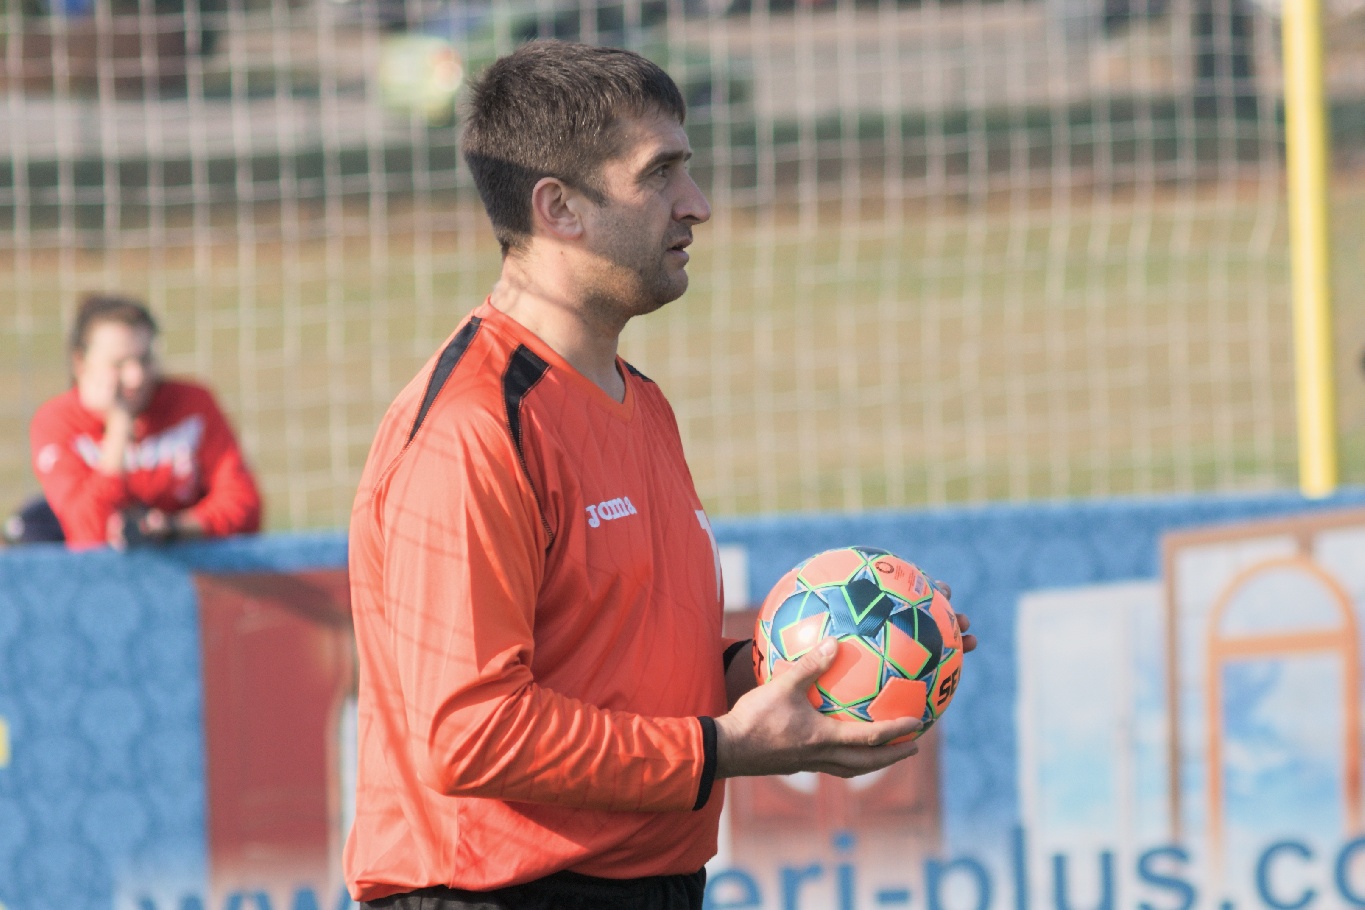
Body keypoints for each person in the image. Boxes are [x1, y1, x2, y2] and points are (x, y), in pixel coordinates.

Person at [344, 41, 976, 910]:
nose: (697, 204)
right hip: (494, 893)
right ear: (559, 207)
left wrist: (815, 669)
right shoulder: (474, 430)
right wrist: (722, 750)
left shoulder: (637, 400)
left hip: (652, 885)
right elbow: (470, 734)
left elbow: (620, 673)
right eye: (660, 173)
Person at [28, 293, 262, 549]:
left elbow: (244, 504)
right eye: (118, 364)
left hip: (186, 558)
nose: (136, 377)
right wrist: (119, 426)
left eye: (145, 359)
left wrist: (175, 528)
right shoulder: (57, 422)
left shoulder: (192, 406)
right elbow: (88, 533)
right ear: (81, 364)